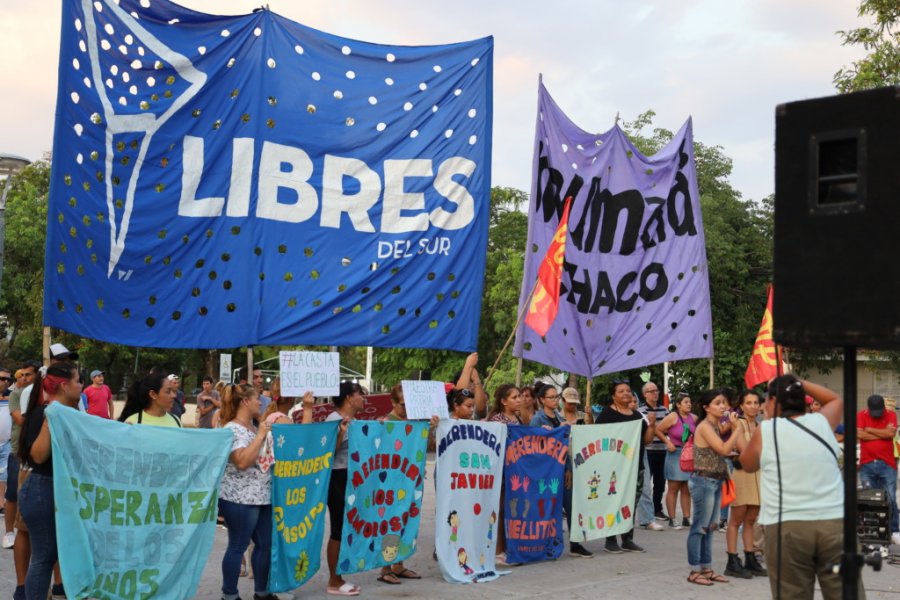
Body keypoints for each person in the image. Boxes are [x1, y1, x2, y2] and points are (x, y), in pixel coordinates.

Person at [739, 375, 858, 600]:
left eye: (766, 400)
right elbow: (835, 400)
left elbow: (747, 464)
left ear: (774, 401)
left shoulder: (766, 430)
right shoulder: (821, 422)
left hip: (787, 528)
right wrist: (796, 381)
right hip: (835, 525)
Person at [17, 362, 82, 600]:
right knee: (44, 556)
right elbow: (38, 455)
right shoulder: (45, 413)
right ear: (64, 386)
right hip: (42, 489)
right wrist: (50, 421)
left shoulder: (70, 414)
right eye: (78, 381)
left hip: (58, 490)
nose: (81, 385)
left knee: (52, 554)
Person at [215, 383, 277, 600]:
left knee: (264, 545)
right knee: (238, 546)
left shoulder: (253, 426)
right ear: (245, 401)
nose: (261, 402)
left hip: (261, 495)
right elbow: (241, 461)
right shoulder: (231, 429)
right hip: (239, 499)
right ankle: (229, 595)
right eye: (257, 398)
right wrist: (260, 436)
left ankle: (262, 592)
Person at [530, 383, 594, 558]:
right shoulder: (538, 419)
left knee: (572, 505)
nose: (555, 400)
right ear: (542, 400)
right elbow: (533, 446)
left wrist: (568, 469)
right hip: (546, 471)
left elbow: (564, 447)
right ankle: (544, 544)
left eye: (556, 396)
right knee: (547, 508)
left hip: (563, 467)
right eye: (551, 397)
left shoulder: (559, 417)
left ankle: (575, 543)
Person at [685, 389, 739, 586]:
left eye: (724, 402)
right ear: (706, 407)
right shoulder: (705, 426)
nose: (723, 406)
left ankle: (706, 568)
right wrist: (737, 429)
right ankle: (694, 570)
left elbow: (721, 452)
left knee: (710, 527)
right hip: (704, 481)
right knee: (699, 527)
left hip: (715, 480)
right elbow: (723, 449)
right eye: (717, 403)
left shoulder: (715, 426)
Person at [596, 381, 657, 554]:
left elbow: (647, 440)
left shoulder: (637, 415)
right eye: (621, 391)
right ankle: (610, 539)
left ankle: (627, 538)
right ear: (613, 395)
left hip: (634, 467)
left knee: (631, 503)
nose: (625, 393)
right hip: (613, 468)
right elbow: (597, 438)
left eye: (628, 391)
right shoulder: (607, 414)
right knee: (613, 501)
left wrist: (651, 425)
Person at [325, 382, 365, 596]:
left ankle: (339, 576)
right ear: (349, 397)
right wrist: (340, 433)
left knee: (346, 527)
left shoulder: (354, 421)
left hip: (350, 476)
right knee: (338, 529)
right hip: (337, 477)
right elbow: (326, 452)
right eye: (360, 394)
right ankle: (333, 580)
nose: (363, 398)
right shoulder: (334, 420)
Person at [724, 390, 767, 578]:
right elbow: (744, 449)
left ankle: (750, 558)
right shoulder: (738, 423)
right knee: (736, 520)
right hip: (742, 476)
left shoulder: (758, 425)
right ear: (741, 406)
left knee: (751, 519)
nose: (753, 406)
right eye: (748, 403)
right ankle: (732, 560)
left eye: (756, 402)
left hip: (758, 476)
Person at [857, 394, 899, 545]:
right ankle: (873, 531)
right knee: (870, 500)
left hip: (887, 463)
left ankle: (894, 531)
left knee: (891, 498)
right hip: (867, 464)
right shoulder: (861, 415)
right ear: (869, 408)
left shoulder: (891, 414)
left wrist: (869, 429)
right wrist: (881, 433)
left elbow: (891, 434)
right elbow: (858, 433)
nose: (877, 415)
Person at [656, 392, 696, 529]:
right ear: (678, 405)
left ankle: (686, 517)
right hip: (675, 453)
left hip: (689, 455)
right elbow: (658, 429)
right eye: (686, 402)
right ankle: (672, 519)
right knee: (673, 487)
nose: (689, 404)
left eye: (690, 402)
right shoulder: (673, 417)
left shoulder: (694, 418)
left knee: (686, 488)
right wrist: (668, 443)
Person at [639, 381, 668, 521]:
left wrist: (655, 428)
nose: (655, 393)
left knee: (660, 483)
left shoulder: (664, 410)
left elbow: (668, 428)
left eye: (656, 390)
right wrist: (657, 429)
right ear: (645, 394)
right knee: (645, 485)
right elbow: (646, 430)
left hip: (662, 450)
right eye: (651, 391)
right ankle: (646, 512)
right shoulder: (641, 411)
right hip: (648, 451)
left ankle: (658, 508)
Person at [451, 353, 487, 419]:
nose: (473, 386)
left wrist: (476, 379)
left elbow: (481, 411)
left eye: (474, 384)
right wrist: (468, 365)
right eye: (470, 383)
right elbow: (458, 395)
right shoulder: (449, 402)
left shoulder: (474, 403)